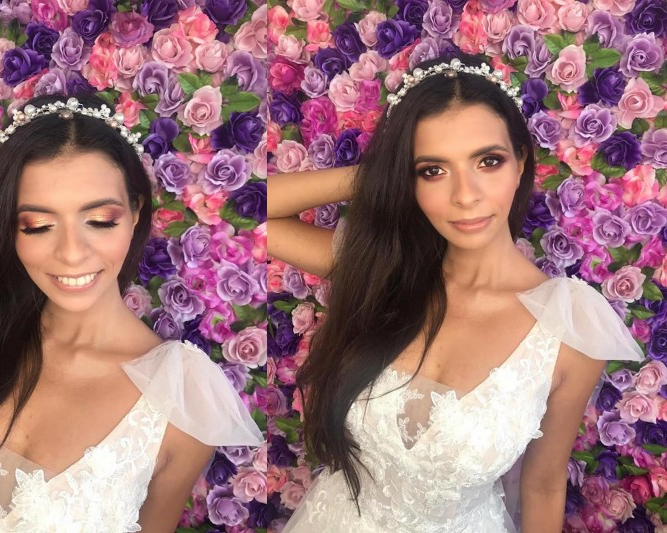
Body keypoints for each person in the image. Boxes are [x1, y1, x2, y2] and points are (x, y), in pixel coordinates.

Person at [267, 55, 644, 532]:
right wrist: (382, 175)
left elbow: (543, 486)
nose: (466, 195)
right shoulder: (383, 271)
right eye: (433, 170)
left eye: (488, 161)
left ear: (521, 161)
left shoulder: (569, 327)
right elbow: (260, 211)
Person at [0, 93, 264, 532]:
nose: (72, 253)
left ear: (136, 212)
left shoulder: (181, 396)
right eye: (37, 225)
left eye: (100, 220)